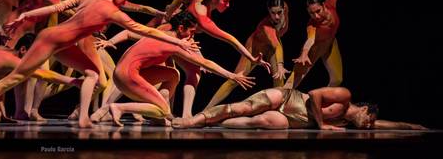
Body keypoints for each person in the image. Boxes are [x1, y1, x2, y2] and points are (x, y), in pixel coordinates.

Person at [0, 0, 198, 128]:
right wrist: (179, 44)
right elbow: (142, 30)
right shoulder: (111, 11)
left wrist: (27, 15)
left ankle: (83, 118)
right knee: (15, 78)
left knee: (93, 74)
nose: (126, 0)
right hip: (51, 40)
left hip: (64, 45)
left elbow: (58, 6)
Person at [92, 11, 254, 126]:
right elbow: (206, 63)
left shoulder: (162, 34)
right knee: (162, 110)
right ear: (181, 28)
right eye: (190, 32)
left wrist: (111, 42)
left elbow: (129, 33)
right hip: (127, 76)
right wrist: (231, 75)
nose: (192, 36)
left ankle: (147, 113)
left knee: (173, 74)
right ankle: (119, 108)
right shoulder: (176, 44)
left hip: (124, 73)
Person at [164, 0, 270, 117]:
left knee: (185, 73)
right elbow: (231, 40)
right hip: (175, 38)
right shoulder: (203, 20)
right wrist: (251, 58)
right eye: (226, 1)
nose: (228, 5)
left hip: (183, 37)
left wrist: (170, 14)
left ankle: (180, 114)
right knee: (177, 74)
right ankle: (176, 114)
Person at [0, 33, 82, 124]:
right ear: (23, 49)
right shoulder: (10, 61)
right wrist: (74, 81)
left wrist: (4, 113)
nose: (35, 59)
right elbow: (44, 74)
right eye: (33, 55)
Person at [206, 0, 291, 108]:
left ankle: (278, 110)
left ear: (283, 8)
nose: (276, 16)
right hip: (255, 48)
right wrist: (280, 65)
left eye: (279, 12)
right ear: (268, 11)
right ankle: (206, 110)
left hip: (271, 48)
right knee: (236, 79)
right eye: (273, 13)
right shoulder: (266, 26)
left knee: (279, 78)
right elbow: (277, 46)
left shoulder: (284, 8)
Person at [172, 86, 427, 130]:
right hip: (289, 99)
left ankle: (210, 122)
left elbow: (387, 125)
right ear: (364, 109)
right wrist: (322, 124)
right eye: (370, 120)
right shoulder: (345, 97)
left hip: (293, 121)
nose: (369, 125)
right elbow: (315, 95)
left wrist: (415, 126)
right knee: (243, 108)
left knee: (254, 122)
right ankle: (195, 120)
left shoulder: (349, 123)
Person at [285, 0, 358, 89]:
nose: (316, 16)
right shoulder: (312, 25)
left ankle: (320, 102)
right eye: (311, 13)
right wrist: (305, 53)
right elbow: (310, 40)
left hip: (331, 44)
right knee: (293, 81)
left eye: (318, 11)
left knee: (337, 79)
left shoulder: (331, 3)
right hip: (315, 48)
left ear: (323, 5)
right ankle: (278, 105)